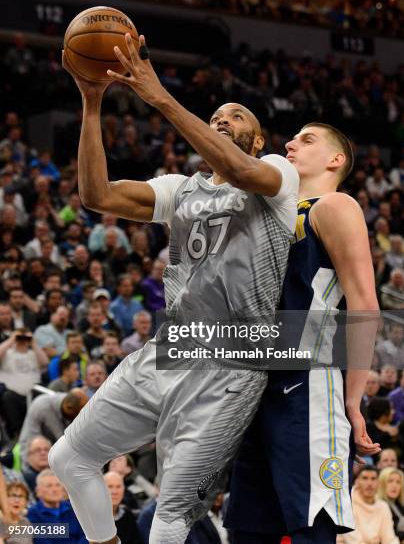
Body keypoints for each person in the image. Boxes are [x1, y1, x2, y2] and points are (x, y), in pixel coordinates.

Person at [48, 34, 299, 544]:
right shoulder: (180, 188)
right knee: (68, 457)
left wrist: (157, 94)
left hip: (233, 359)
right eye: (216, 118)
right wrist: (92, 102)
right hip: (172, 346)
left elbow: (236, 169)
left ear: (257, 139)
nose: (223, 120)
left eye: (237, 117)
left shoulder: (278, 173)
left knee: (169, 521)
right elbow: (96, 195)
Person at [226, 122, 380, 542]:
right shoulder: (268, 212)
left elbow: (365, 304)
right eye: (293, 139)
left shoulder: (333, 205)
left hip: (308, 382)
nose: (291, 143)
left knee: (314, 521)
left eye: (307, 140)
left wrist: (352, 400)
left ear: (336, 160)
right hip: (257, 383)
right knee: (247, 527)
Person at [0, 329, 48, 438]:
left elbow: (45, 362)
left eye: (25, 338)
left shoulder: (33, 354)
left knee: (42, 396)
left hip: (33, 393)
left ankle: (40, 433)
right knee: (8, 397)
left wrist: (33, 343)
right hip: (13, 395)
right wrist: (11, 339)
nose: (22, 340)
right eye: (20, 337)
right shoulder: (7, 353)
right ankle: (18, 434)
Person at [19, 389, 88, 464]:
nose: (81, 417)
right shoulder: (40, 407)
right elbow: (27, 444)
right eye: (78, 414)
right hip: (41, 461)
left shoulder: (75, 404)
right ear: (69, 408)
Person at [338, 466, 399, 544]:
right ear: (357, 481)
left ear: (379, 483)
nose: (369, 483)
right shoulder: (347, 505)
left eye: (373, 479)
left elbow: (389, 539)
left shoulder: (383, 506)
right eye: (365, 478)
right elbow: (354, 542)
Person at [27, 469, 87, 544]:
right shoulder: (33, 514)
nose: (55, 490)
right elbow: (41, 540)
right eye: (49, 486)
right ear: (38, 491)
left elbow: (84, 535)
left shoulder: (74, 508)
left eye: (58, 485)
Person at [104, 471, 143, 544]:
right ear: (101, 489)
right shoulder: (90, 518)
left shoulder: (128, 515)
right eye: (110, 487)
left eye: (118, 486)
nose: (115, 491)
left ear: (124, 490)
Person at [378, 467, 404, 542]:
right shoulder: (379, 506)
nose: (394, 485)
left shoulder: (401, 505)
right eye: (390, 481)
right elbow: (389, 533)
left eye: (398, 482)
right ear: (382, 484)